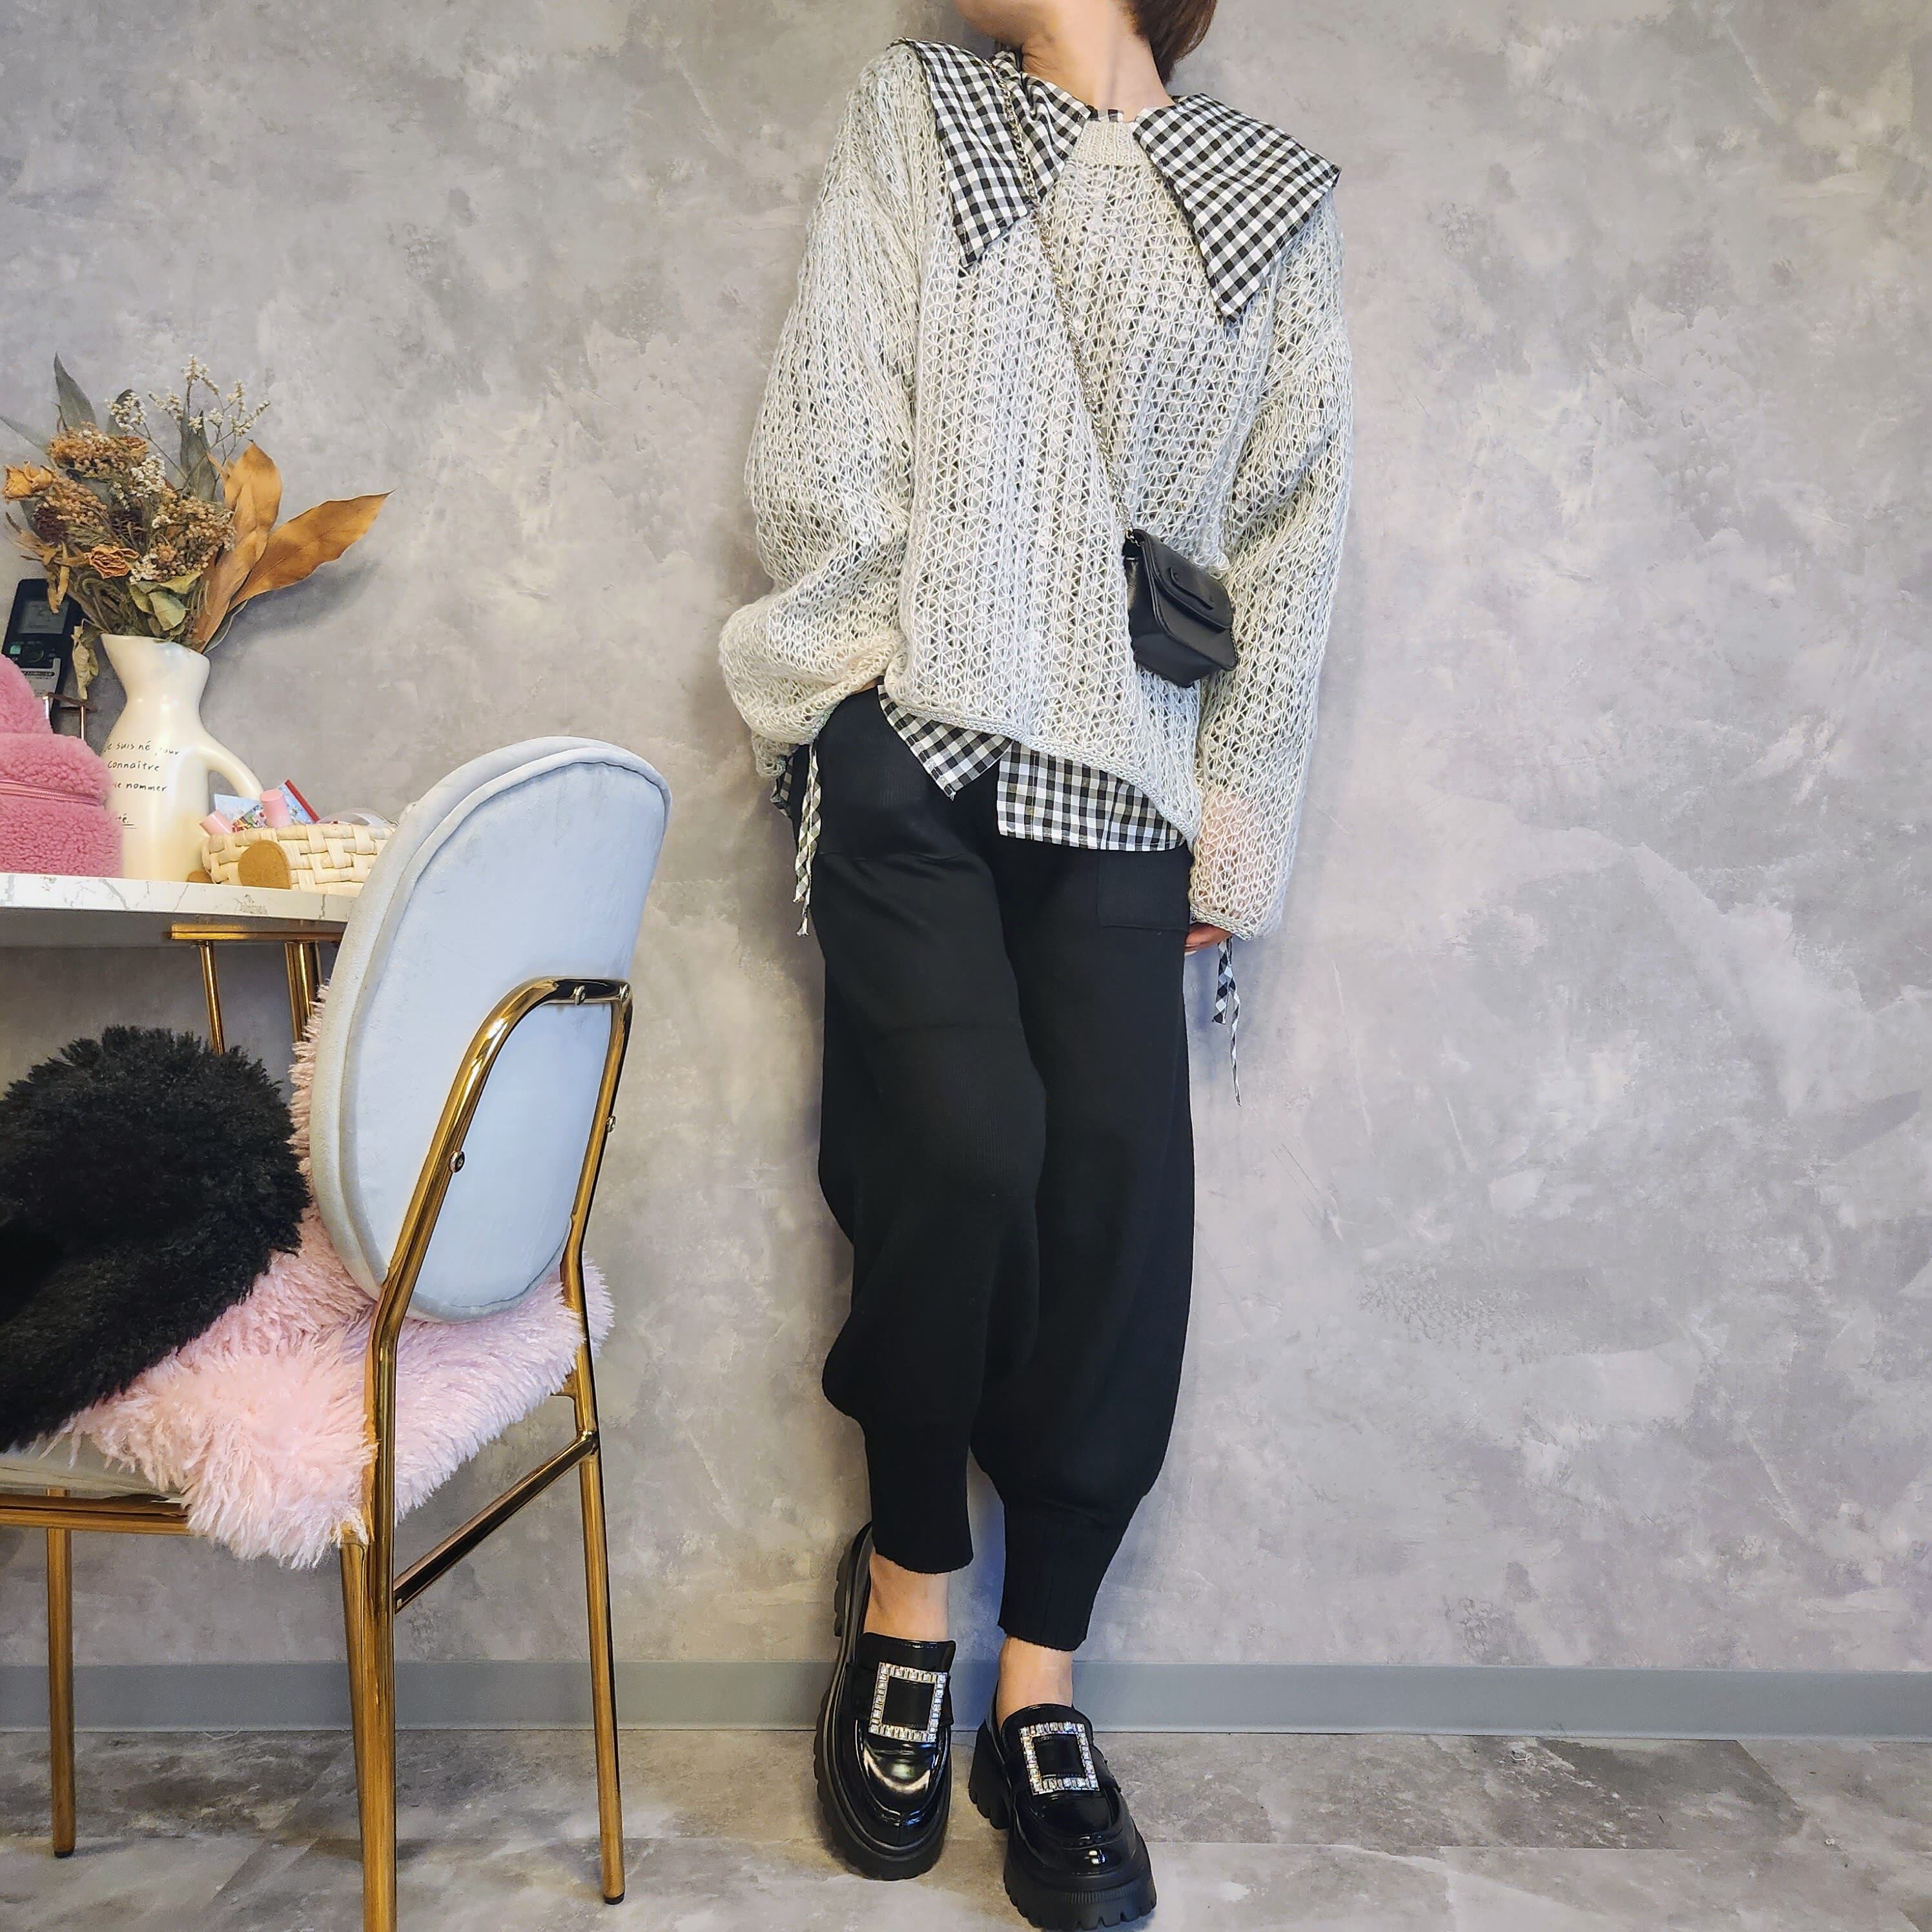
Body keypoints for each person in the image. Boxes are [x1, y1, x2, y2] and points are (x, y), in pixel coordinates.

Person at [719, 0, 1351, 1921]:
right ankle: (911, 1593)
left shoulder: (1268, 195)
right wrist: (851, 691)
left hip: (1126, 775)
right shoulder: (923, 110)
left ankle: (1037, 1689)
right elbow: (835, 401)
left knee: (1117, 1211)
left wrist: (1236, 811)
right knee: (961, 1153)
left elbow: (1292, 526)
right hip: (913, 742)